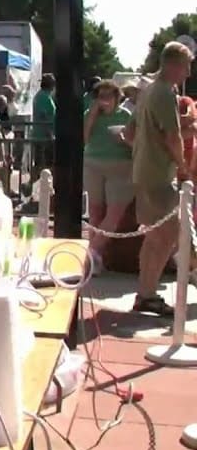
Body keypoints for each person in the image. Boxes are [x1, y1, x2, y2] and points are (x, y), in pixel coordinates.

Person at [125, 41, 193, 317]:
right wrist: (182, 166)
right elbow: (171, 136)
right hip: (158, 175)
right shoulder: (164, 92)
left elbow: (132, 133)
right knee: (171, 234)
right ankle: (147, 293)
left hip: (145, 171)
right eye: (187, 66)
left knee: (156, 237)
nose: (188, 73)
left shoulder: (149, 90)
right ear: (175, 64)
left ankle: (146, 293)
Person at [83, 80, 133, 260]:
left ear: (117, 97)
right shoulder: (90, 114)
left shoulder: (126, 115)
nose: (104, 100)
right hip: (93, 164)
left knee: (114, 213)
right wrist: (92, 115)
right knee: (95, 211)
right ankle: (96, 257)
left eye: (108, 96)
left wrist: (124, 139)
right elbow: (85, 138)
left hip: (120, 166)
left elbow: (135, 142)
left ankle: (92, 254)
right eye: (100, 96)